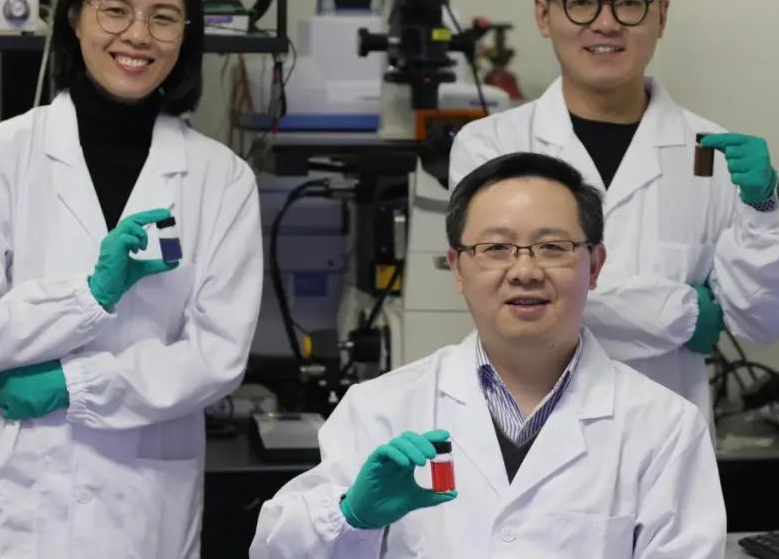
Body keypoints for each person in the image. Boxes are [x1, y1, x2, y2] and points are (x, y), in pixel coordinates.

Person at [0, 0, 263, 558]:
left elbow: (217, 354)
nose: (138, 35)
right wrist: (87, 297)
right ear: (76, 17)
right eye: (115, 9)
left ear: (186, 35)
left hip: (143, 511)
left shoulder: (221, 180)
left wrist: (78, 385)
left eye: (164, 17)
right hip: (19, 510)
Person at [250, 152, 726, 558]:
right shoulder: (379, 409)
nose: (524, 271)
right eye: (496, 248)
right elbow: (273, 550)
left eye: (552, 247)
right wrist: (353, 515)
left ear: (595, 265)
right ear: (457, 267)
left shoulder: (665, 428)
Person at [449, 0, 779, 422]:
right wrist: (684, 313)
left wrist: (766, 209)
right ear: (543, 15)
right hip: (524, 430)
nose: (606, 23)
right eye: (580, 2)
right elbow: (509, 298)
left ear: (660, 16)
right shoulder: (490, 147)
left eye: (630, 3)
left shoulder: (710, 155)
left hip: (664, 438)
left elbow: (763, 322)